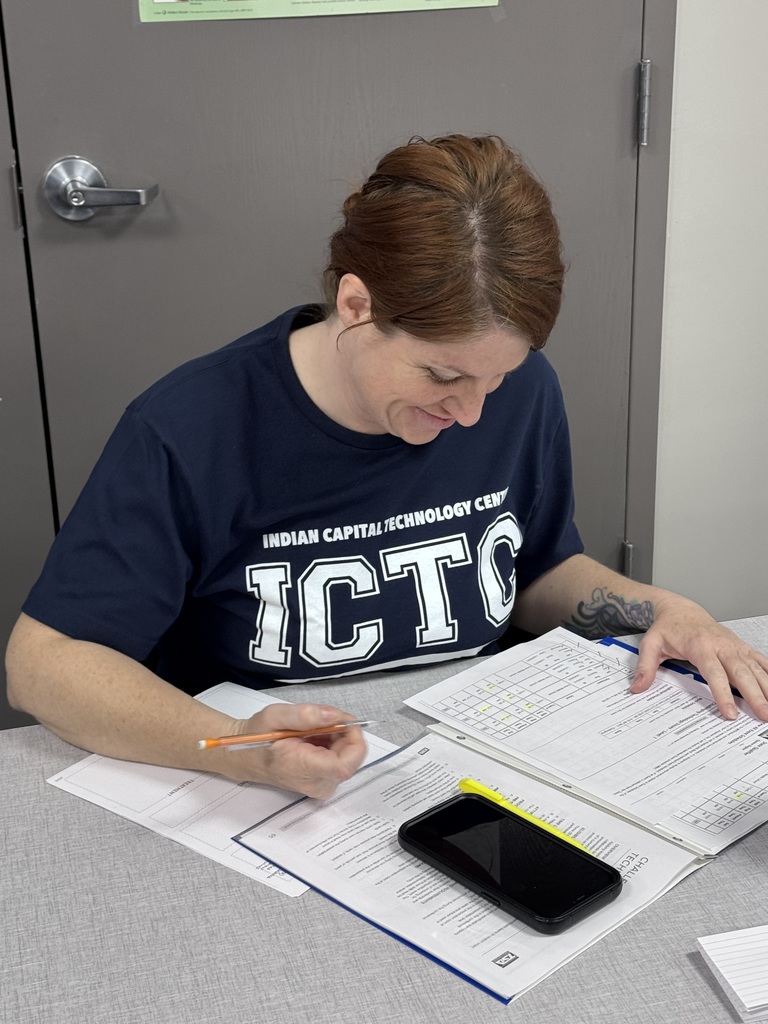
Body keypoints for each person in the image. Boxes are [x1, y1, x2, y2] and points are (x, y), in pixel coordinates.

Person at [7, 135, 768, 799]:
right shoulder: (190, 427)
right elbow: (45, 666)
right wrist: (231, 747)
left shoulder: (521, 393)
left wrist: (658, 608)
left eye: (495, 379)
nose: (472, 413)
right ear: (357, 303)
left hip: (476, 762)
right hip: (268, 783)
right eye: (442, 378)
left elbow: (534, 574)